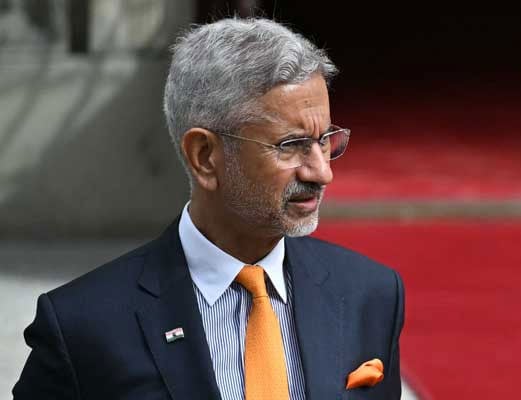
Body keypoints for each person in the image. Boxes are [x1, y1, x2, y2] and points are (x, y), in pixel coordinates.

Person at [13, 17, 404, 400]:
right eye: (291, 145)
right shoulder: (83, 326)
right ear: (204, 157)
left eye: (324, 141)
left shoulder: (369, 295)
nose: (322, 172)